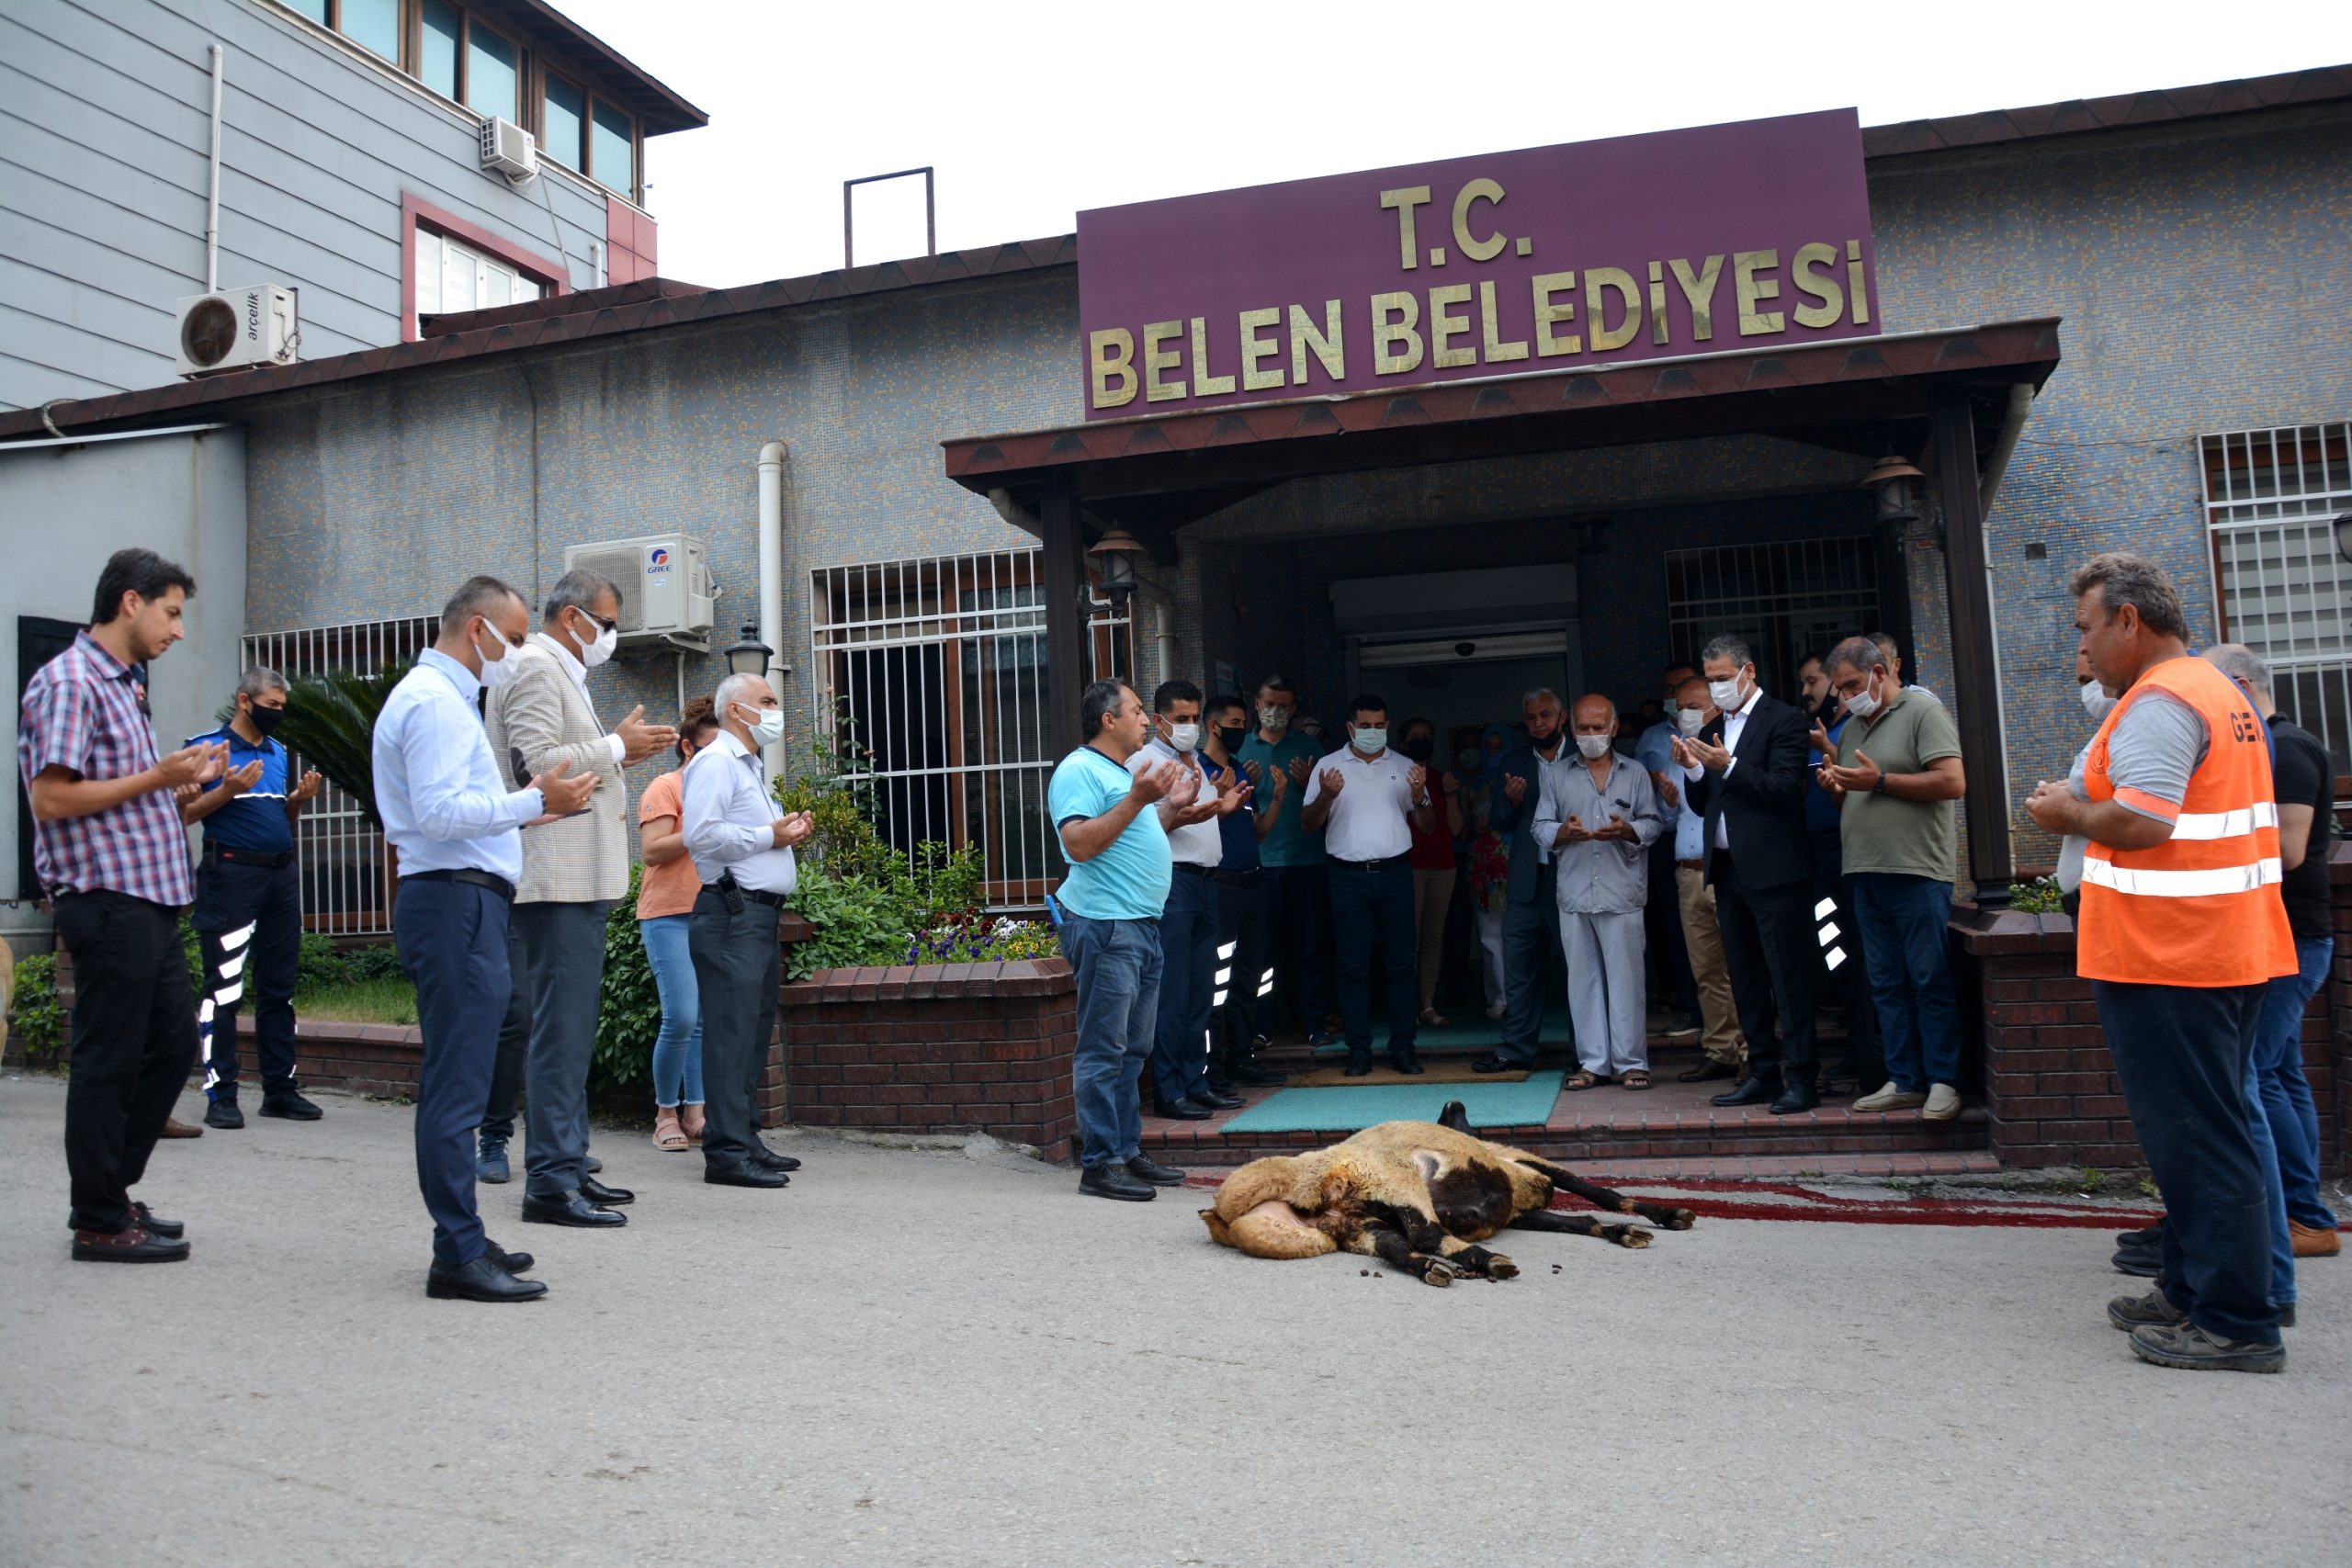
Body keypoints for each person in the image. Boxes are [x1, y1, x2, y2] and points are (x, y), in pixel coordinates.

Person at [2024, 553, 2294, 1373]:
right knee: (2196, 1133)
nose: (2084, 645)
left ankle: (2238, 1319)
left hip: (2175, 954)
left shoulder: (2162, 698)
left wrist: (2064, 809)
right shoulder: (2217, 688)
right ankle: (2190, 1286)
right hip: (2219, 944)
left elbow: (2143, 820)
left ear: (2128, 621)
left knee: (2201, 1138)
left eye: (2085, 628)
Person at [376, 574, 596, 1301]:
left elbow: (457, 810)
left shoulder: (441, 697)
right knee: (457, 1086)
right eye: (514, 633)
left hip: (462, 901)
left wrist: (537, 808)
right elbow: (441, 814)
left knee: (462, 1076)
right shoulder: (435, 702)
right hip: (453, 904)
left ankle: (464, 1234)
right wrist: (536, 799)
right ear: (478, 629)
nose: (518, 648)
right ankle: (456, 1253)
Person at [21, 549, 228, 1262]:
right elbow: (49, 798)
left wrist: (184, 781)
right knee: (108, 1060)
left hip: (151, 898)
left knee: (173, 1046)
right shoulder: (71, 680)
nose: (177, 630)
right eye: (172, 613)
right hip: (107, 899)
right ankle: (99, 1218)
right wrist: (154, 775)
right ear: (131, 602)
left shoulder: (125, 683)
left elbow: (125, 795)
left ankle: (110, 1187)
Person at [485, 569, 676, 1229]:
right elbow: (536, 763)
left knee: (568, 1032)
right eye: (608, 621)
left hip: (576, 878)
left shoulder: (563, 669)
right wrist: (619, 745)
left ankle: (568, 1165)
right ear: (572, 617)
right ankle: (549, 1182)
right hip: (553, 877)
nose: (612, 636)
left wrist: (617, 746)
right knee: (558, 1032)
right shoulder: (537, 666)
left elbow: (570, 754)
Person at [2205, 646, 2339, 1279]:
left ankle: (2302, 1216)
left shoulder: (2284, 748)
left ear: (2237, 686)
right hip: (2288, 935)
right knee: (2279, 1071)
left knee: (2255, 1075)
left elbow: (2286, 848)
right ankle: (2305, 1214)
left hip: (2293, 937)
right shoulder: (2277, 743)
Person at [1048, 678, 1193, 1201]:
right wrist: (1138, 796)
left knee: (1133, 1049)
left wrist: (1170, 806)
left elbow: (1131, 831)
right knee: (1103, 1049)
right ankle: (1100, 1162)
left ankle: (1126, 1151)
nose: (1147, 720)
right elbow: (1080, 843)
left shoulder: (1116, 772)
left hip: (1140, 926)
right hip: (1107, 926)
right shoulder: (1079, 769)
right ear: (1108, 720)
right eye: (1136, 711)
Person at [1812, 637, 1967, 1122]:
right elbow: (1854, 797)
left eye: (1853, 685)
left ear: (1881, 672)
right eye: (1839, 689)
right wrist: (1839, 786)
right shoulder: (1855, 726)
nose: (1846, 697)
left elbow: (1952, 782)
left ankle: (1943, 1080)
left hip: (1916, 869)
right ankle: (1903, 1079)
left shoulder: (1923, 712)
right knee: (1885, 982)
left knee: (1928, 979)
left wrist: (1880, 781)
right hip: (1864, 870)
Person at [1675, 636, 1821, 1114]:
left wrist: (1730, 765)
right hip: (1730, 870)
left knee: (1787, 975)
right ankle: (1761, 1071)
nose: (1716, 688)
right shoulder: (1717, 724)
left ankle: (1801, 1078)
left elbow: (1784, 789)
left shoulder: (1785, 720)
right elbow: (1707, 804)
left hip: (1776, 871)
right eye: (1711, 679)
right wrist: (1696, 771)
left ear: (1748, 671)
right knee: (1745, 976)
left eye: (1722, 678)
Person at [681, 673, 814, 1189]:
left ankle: (746, 1138)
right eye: (767, 701)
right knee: (730, 1035)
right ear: (737, 710)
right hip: (730, 915)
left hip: (755, 916)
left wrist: (783, 834)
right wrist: (769, 834)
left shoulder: (748, 766)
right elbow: (701, 835)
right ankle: (726, 1154)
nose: (776, 708)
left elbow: (751, 839)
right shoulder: (716, 761)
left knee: (752, 1034)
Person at [177, 666, 325, 1129]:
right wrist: (226, 789)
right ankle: (221, 1093)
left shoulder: (279, 753)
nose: (278, 714)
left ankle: (279, 1090)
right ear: (245, 701)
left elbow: (281, 823)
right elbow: (181, 815)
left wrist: (298, 802)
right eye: (271, 706)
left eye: (283, 707)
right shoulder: (204, 749)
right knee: (224, 988)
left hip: (279, 878)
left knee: (278, 989)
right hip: (231, 876)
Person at [1132, 681, 1250, 1119]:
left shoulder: (1197, 760)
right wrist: (1183, 815)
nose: (1188, 727)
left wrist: (1223, 804)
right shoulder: (1145, 762)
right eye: (1179, 719)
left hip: (1207, 882)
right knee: (1174, 992)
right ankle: (1169, 1091)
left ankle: (1195, 1082)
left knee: (1202, 989)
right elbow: (1140, 828)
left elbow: (1198, 818)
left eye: (1193, 719)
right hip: (1173, 882)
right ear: (1158, 719)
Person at [1301, 694, 1433, 1077]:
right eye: (1366, 726)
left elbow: (1427, 826)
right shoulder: (1327, 767)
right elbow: (1308, 824)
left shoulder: (1407, 767)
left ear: (1387, 726)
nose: (1373, 732)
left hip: (1395, 875)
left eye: (1380, 726)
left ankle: (1403, 1048)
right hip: (1347, 877)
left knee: (1400, 966)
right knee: (1352, 966)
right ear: (1350, 728)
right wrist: (1326, 795)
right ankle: (1359, 1050)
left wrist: (1421, 795)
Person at [1533, 695, 1662, 1089]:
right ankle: (1593, 1064)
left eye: (1598, 727)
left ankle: (1631, 1063)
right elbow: (1539, 826)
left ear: (1614, 727)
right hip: (1574, 893)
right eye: (1583, 729)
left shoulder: (1636, 772)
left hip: (1622, 891)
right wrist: (1562, 833)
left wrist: (1629, 831)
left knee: (1627, 980)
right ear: (1571, 729)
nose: (1591, 735)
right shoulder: (1557, 776)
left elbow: (1653, 823)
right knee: (1582, 981)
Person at [1472, 691, 1575, 1074]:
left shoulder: (1581, 755)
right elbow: (1498, 820)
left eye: (1546, 715)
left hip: (1571, 880)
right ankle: (1515, 1050)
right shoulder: (1513, 761)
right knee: (1519, 974)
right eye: (1531, 718)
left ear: (1562, 717)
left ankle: (1587, 1055)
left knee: (1578, 971)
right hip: (1526, 882)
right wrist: (1512, 803)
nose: (1539, 724)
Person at [1799, 650, 1884, 1096]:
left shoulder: (1852, 730)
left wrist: (1829, 753)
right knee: (1837, 956)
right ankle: (1855, 1043)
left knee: (1861, 956)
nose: (1807, 691)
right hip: (1821, 859)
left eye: (1813, 681)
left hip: (1851, 858)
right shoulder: (1826, 731)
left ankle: (1873, 1056)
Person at [637, 699, 720, 1151]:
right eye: (708, 749)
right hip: (666, 915)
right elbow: (653, 850)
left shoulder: (722, 788)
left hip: (709, 912)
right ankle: (664, 1113)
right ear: (687, 748)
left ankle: (696, 1113)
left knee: (702, 1020)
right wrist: (705, 827)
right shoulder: (666, 786)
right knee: (681, 1016)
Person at [1237, 676, 1331, 1045]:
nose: (1276, 711)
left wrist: (1313, 784)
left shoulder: (1310, 747)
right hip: (1259, 864)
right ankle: (1261, 1025)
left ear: (1294, 710)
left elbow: (1331, 803)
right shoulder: (1241, 747)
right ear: (1257, 706)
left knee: (1312, 946)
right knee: (1261, 951)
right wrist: (1242, 782)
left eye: (1284, 705)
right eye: (1269, 704)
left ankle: (1314, 1023)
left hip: (1308, 861)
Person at [1202, 694, 1284, 1089]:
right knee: (1217, 979)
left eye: (1242, 723)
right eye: (1234, 723)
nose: (1240, 730)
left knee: (1251, 974)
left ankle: (1243, 1057)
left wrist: (1279, 798)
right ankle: (1213, 1068)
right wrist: (1217, 799)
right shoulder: (1196, 771)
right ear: (1213, 726)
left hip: (1254, 883)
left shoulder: (1242, 772)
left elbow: (1260, 833)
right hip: (1221, 887)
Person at [1665, 676, 1744, 1080]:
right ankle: (1720, 1049)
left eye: (1690, 705)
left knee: (1741, 964)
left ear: (1713, 705)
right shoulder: (1672, 754)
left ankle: (1750, 1050)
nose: (1683, 714)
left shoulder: (1726, 747)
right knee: (1706, 970)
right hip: (1689, 873)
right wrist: (1665, 801)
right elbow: (1669, 820)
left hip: (1727, 870)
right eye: (1678, 707)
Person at [1635, 668, 1702, 1038]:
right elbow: (1661, 805)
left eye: (1684, 690)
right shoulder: (1652, 738)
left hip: (1717, 852)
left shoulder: (1715, 740)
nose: (1676, 696)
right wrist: (1668, 802)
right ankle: (1690, 1005)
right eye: (1671, 690)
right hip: (1670, 844)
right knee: (1677, 929)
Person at [1397, 716, 1464, 1027]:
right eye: (1415, 736)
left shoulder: (1441, 778)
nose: (1421, 740)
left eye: (1426, 735)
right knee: (1407, 938)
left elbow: (1456, 828)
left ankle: (1427, 1005)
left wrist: (1450, 796)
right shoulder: (1394, 776)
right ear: (1402, 743)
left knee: (1433, 939)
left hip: (1443, 866)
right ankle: (1406, 1006)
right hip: (1407, 866)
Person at [1460, 725, 1514, 1019]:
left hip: (1513, 859)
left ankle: (1519, 996)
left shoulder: (1517, 779)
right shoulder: (1473, 784)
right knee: (1490, 935)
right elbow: (1462, 826)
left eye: (1499, 747)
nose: (1492, 753)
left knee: (1517, 934)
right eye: (1488, 747)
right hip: (1484, 864)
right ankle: (1498, 998)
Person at [1869, 632, 1938, 704]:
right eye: (1868, 661)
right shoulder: (1868, 705)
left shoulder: (1921, 699)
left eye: (1881, 660)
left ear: (1896, 665)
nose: (1875, 667)